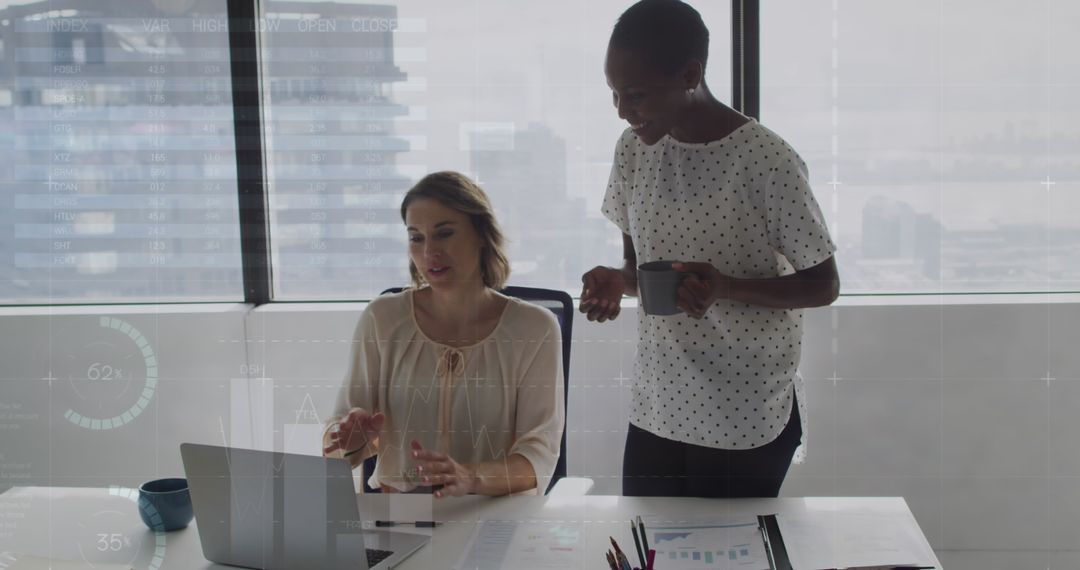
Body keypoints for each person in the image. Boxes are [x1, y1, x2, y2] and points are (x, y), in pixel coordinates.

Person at [580, 0, 840, 498]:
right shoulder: (633, 150)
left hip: (744, 409)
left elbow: (824, 285)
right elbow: (638, 269)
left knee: (730, 541)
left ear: (690, 75)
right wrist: (618, 282)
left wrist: (726, 288)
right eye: (614, 94)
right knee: (645, 536)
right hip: (659, 403)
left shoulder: (768, 161)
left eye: (635, 95)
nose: (622, 111)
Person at [323, 171, 564, 497]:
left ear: (481, 234)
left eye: (444, 234)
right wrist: (349, 441)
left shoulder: (534, 328)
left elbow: (539, 455)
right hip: (402, 517)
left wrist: (471, 477)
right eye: (416, 238)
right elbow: (336, 449)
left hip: (494, 514)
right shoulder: (382, 318)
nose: (429, 252)